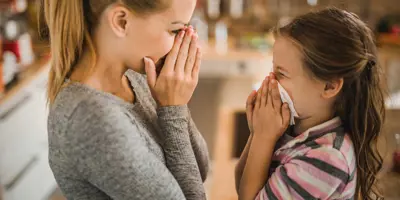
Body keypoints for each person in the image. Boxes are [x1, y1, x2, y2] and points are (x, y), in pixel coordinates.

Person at [42, 0, 209, 199]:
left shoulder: (135, 77)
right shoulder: (92, 119)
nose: (182, 42)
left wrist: (175, 104)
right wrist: (174, 109)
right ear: (122, 22)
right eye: (175, 30)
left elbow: (199, 171)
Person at [235, 8, 385, 200]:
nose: (270, 80)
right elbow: (242, 182)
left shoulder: (327, 158)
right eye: (272, 70)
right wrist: (258, 133)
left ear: (329, 86)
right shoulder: (293, 128)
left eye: (281, 74)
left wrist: (263, 136)